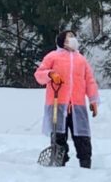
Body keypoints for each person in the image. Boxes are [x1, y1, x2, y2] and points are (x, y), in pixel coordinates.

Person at [34, 30, 101, 168]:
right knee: (59, 136)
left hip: (77, 105)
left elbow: (90, 80)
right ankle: (59, 162)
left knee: (82, 136)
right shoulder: (53, 56)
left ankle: (85, 163)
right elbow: (39, 74)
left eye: (73, 36)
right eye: (69, 37)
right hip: (58, 103)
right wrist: (50, 74)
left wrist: (93, 100)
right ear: (62, 41)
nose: (73, 39)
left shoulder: (81, 59)